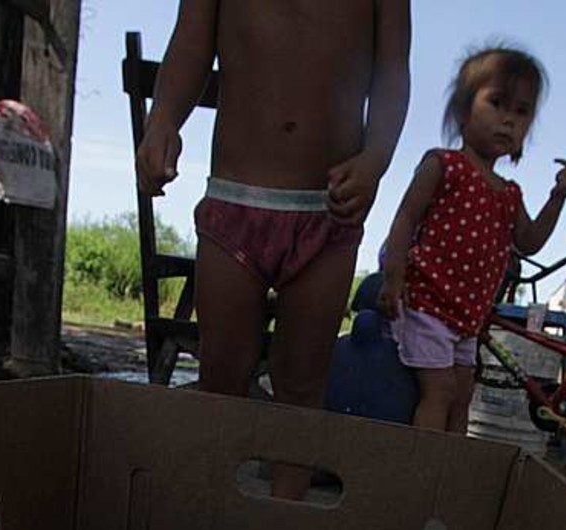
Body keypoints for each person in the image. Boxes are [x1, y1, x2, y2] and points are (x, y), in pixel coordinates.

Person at [135, 1, 411, 499]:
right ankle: (207, 511)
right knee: (221, 371)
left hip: (328, 213)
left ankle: (285, 523)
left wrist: (376, 159)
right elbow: (192, 43)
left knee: (303, 382)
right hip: (235, 203)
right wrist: (162, 122)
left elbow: (392, 70)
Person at [376, 46, 566, 434]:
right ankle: (423, 470)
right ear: (464, 111)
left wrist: (558, 196)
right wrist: (393, 277)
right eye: (497, 103)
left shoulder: (509, 192)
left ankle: (452, 473)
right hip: (426, 304)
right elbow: (404, 220)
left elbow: (530, 240)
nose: (507, 120)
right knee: (439, 391)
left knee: (462, 393)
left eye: (521, 113)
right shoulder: (444, 165)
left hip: (468, 317)